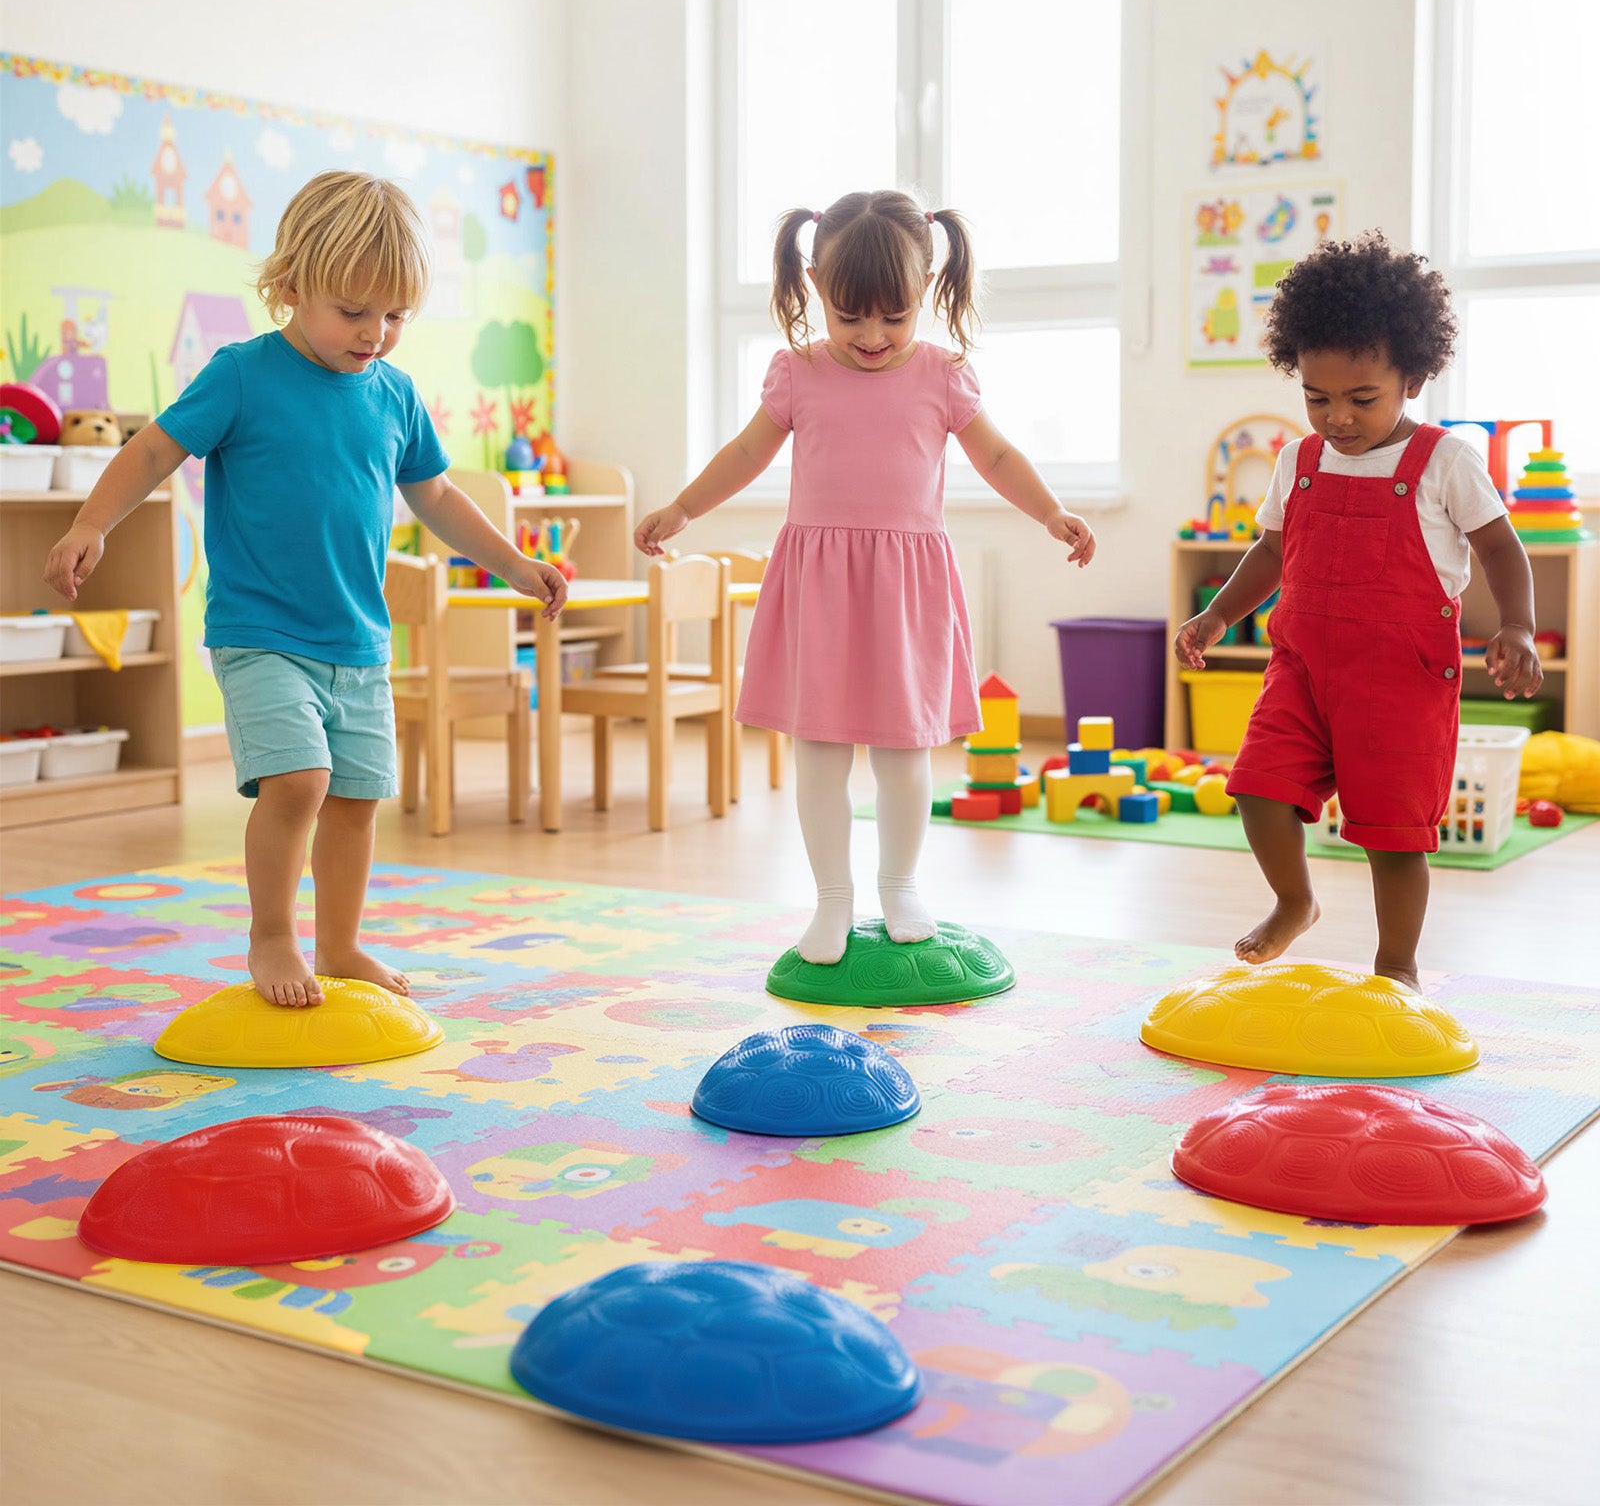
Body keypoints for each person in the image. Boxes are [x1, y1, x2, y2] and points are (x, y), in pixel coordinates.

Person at [43, 171, 567, 1008]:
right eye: (353, 311)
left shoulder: (394, 394)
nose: (375, 333)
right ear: (290, 288)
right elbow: (152, 452)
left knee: (357, 800)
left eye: (394, 315)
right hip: (259, 633)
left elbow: (434, 496)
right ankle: (273, 936)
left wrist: (513, 563)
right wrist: (90, 525)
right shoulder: (243, 375)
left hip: (357, 640)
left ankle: (341, 942)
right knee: (299, 783)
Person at [635, 190, 1095, 964]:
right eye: (851, 318)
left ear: (925, 294)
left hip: (906, 588)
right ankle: (831, 900)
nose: (873, 337)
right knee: (818, 747)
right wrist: (683, 508)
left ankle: (900, 885)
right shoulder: (798, 373)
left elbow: (999, 457)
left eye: (895, 316)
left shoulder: (944, 376)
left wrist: (1052, 514)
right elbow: (746, 455)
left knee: (903, 750)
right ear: (816, 285)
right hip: (819, 582)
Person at [1175, 232, 1541, 987]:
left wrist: (1516, 625)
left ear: (1412, 375)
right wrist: (1216, 615)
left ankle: (1397, 964)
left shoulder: (1445, 461)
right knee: (1256, 787)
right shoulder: (1297, 461)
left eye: (1360, 398)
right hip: (1303, 669)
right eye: (1317, 397)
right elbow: (1272, 553)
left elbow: (1502, 549)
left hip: (1399, 681)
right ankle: (1294, 900)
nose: (1337, 417)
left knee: (1394, 835)